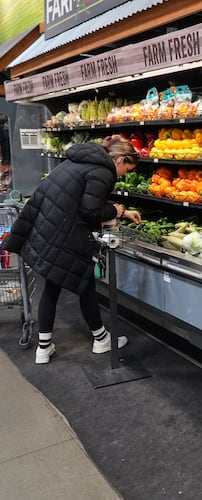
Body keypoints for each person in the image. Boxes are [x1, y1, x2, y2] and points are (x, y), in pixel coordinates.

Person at [2, 135, 141, 364]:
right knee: (84, 282)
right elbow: (90, 211)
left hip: (47, 229)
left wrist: (121, 212)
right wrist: (114, 212)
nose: (124, 175)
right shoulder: (103, 172)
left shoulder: (76, 161)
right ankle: (101, 339)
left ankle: (44, 348)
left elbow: (78, 198)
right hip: (66, 234)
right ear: (120, 160)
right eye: (127, 169)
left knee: (53, 286)